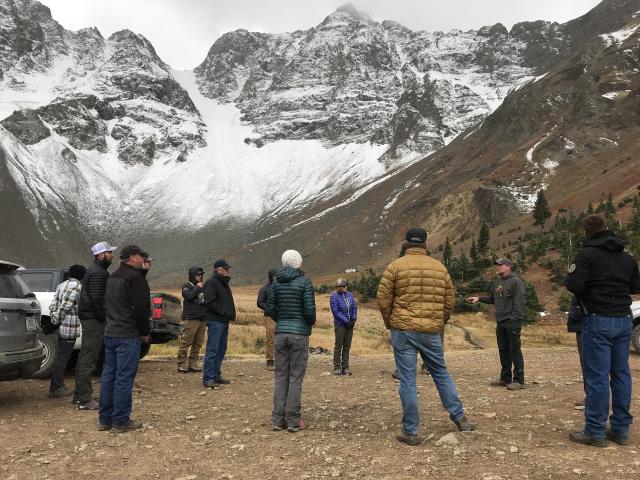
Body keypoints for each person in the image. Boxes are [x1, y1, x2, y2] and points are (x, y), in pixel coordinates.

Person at [377, 227, 475, 446]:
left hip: (403, 330)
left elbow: (383, 299)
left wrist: (390, 323)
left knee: (408, 379)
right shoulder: (440, 268)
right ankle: (460, 419)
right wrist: (440, 321)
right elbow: (449, 300)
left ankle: (411, 431)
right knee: (441, 373)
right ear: (424, 244)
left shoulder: (395, 266)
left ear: (405, 244)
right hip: (431, 331)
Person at [565, 214, 640, 447]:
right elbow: (636, 286)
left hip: (598, 319)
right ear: (606, 229)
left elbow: (574, 284)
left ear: (586, 231)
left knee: (597, 377)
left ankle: (595, 431)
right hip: (624, 319)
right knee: (621, 374)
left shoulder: (587, 255)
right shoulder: (626, 257)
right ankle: (620, 430)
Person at [99, 244, 151, 432]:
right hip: (127, 335)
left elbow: (106, 304)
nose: (143, 260)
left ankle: (105, 420)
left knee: (108, 376)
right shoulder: (135, 278)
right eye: (141, 256)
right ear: (132, 257)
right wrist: (145, 332)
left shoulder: (112, 277)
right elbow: (141, 309)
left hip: (111, 333)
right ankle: (120, 421)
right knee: (123, 378)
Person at [265, 250, 316, 433]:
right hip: (299, 334)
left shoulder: (276, 283)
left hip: (281, 334)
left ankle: (278, 420)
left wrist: (283, 320)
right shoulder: (305, 282)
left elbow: (269, 308)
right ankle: (293, 420)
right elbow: (309, 310)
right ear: (299, 263)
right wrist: (306, 323)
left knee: (280, 376)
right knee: (295, 377)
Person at [466, 258, 526, 390]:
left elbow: (520, 302)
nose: (497, 267)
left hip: (512, 321)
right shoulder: (498, 282)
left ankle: (519, 380)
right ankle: (505, 378)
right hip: (500, 321)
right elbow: (493, 299)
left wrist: (515, 319)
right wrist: (479, 298)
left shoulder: (516, 281)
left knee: (514, 350)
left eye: (500, 265)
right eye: (497, 265)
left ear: (509, 267)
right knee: (503, 350)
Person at [75, 241, 116, 410]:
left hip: (89, 317)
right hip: (93, 319)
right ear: (100, 255)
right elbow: (96, 298)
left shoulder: (96, 270)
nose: (112, 255)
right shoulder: (99, 273)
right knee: (89, 357)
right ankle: (84, 400)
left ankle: (80, 395)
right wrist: (102, 318)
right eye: (109, 252)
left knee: (85, 355)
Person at [48, 264, 86, 398]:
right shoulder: (77, 286)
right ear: (81, 275)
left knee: (61, 356)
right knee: (63, 358)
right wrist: (57, 319)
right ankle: (56, 388)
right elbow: (66, 305)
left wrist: (54, 319)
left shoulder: (61, 285)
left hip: (60, 327)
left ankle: (58, 385)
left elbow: (53, 304)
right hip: (69, 327)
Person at [202, 259, 236, 388]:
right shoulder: (212, 282)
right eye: (226, 269)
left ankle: (216, 375)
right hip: (216, 320)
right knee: (213, 349)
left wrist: (227, 315)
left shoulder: (222, 282)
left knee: (221, 349)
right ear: (218, 269)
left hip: (222, 320)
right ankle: (208, 378)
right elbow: (210, 301)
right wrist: (224, 312)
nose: (228, 270)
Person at [177, 267, 206, 373]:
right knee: (186, 342)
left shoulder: (203, 287)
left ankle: (192, 364)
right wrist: (197, 288)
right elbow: (189, 297)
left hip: (202, 319)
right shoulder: (186, 286)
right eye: (198, 275)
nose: (201, 276)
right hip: (191, 318)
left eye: (201, 274)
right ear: (193, 275)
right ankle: (181, 364)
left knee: (198, 343)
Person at [330, 278, 357, 375]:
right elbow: (335, 312)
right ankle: (337, 367)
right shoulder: (334, 296)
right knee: (338, 346)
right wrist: (346, 321)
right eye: (343, 285)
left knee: (347, 346)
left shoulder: (350, 294)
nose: (346, 287)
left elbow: (354, 307)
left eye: (346, 285)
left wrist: (353, 319)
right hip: (340, 325)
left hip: (350, 324)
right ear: (338, 287)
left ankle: (345, 367)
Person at [567, 295, 586, 407]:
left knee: (588, 366)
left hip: (586, 327)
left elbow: (573, 283)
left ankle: (592, 399)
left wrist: (575, 314)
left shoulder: (587, 285)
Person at [257, 269, 277, 370]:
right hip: (269, 317)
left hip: (280, 316)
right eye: (274, 277)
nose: (275, 278)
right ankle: (270, 360)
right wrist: (270, 308)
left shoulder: (279, 288)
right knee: (270, 339)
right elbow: (259, 302)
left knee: (280, 339)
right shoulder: (264, 289)